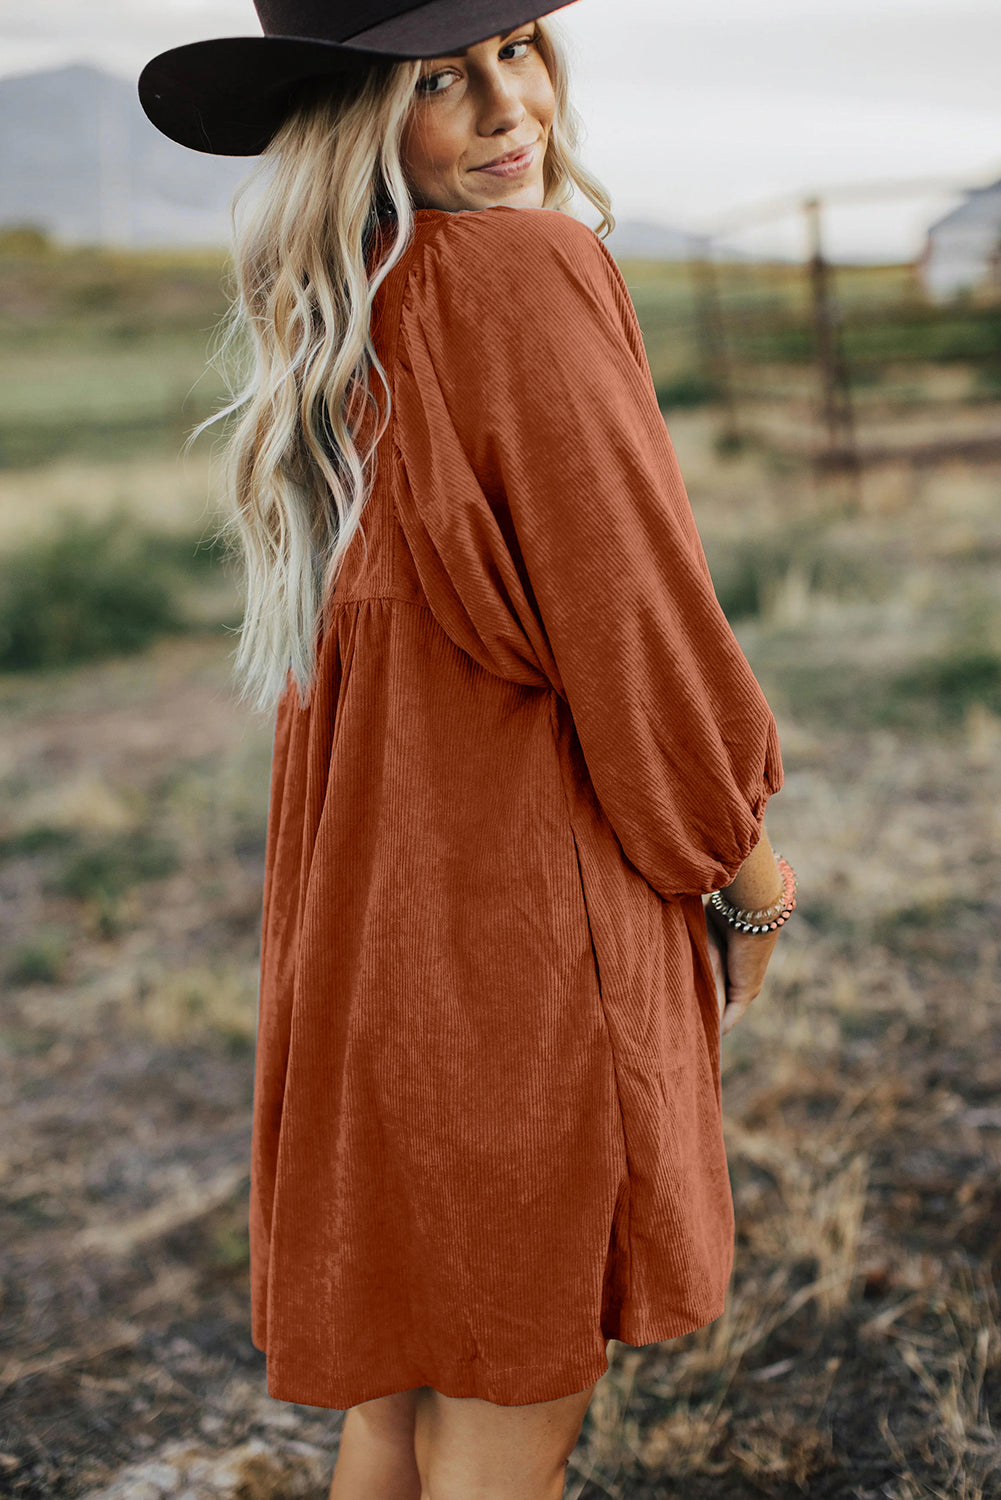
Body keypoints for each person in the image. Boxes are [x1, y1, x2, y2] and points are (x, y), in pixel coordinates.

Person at [138, 3, 798, 1497]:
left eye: (517, 49)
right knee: (509, 1387)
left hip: (368, 932)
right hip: (517, 927)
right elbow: (632, 622)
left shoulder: (348, 302)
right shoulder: (526, 271)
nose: (511, 107)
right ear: (358, 121)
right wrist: (743, 870)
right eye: (440, 80)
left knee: (398, 1397)